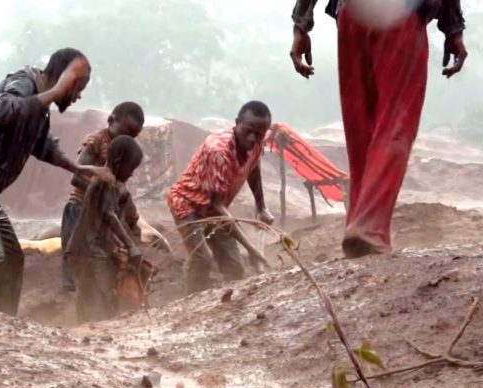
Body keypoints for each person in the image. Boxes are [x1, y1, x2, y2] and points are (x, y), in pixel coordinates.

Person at [0, 47, 113, 315]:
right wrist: (55, 92)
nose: (78, 95)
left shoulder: (39, 110)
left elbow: (44, 147)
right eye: (78, 85)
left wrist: (81, 167)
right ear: (64, 76)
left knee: (12, 259)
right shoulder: (23, 82)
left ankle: (0, 324)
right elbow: (3, 111)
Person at [290, 0, 467, 258]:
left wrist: (300, 28)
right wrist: (454, 30)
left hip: (352, 15)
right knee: (396, 123)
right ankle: (368, 227)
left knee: (360, 130)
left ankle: (357, 222)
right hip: (400, 15)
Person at [167, 101, 275, 294]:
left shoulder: (256, 144)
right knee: (202, 257)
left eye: (259, 134)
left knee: (234, 266)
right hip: (187, 203)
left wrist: (261, 207)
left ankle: (226, 309)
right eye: (248, 131)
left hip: (214, 207)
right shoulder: (218, 150)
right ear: (236, 123)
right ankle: (188, 307)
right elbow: (217, 206)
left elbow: (253, 168)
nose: (252, 138)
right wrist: (250, 248)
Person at [60, 101, 145, 291]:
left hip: (103, 211)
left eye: (133, 135)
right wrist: (101, 193)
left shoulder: (124, 148)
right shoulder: (96, 141)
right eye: (125, 131)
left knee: (100, 257)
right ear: (110, 120)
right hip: (81, 207)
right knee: (79, 260)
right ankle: (73, 299)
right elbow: (76, 176)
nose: (128, 137)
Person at [65, 135, 144, 323]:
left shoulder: (113, 184)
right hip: (87, 251)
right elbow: (110, 216)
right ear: (119, 162)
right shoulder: (105, 181)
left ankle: (91, 333)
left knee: (99, 294)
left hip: (94, 251)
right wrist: (131, 246)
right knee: (95, 298)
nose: (132, 173)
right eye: (131, 168)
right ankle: (91, 335)